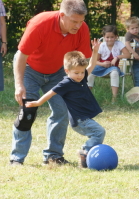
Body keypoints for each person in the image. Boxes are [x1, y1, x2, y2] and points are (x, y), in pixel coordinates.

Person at [9, 0, 92, 166]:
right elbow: (21, 55)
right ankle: (17, 158)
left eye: (81, 21)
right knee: (27, 113)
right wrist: (19, 84)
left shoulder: (82, 29)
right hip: (30, 69)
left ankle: (53, 156)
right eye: (74, 21)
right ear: (62, 15)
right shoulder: (40, 24)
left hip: (58, 72)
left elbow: (82, 60)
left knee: (62, 110)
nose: (78, 25)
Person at [26, 39, 105, 168]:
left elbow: (91, 65)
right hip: (79, 119)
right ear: (67, 71)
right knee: (99, 132)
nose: (80, 75)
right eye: (76, 73)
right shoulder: (66, 83)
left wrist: (95, 51)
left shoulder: (81, 76)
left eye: (81, 72)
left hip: (84, 117)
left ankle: (85, 159)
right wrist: (38, 102)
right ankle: (85, 151)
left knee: (98, 133)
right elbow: (51, 92)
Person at [87, 25, 130, 103]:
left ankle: (114, 98)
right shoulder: (101, 46)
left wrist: (117, 57)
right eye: (107, 37)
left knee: (114, 73)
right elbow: (94, 61)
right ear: (104, 37)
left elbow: (128, 55)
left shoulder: (119, 44)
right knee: (90, 72)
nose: (109, 39)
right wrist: (102, 64)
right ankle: (86, 95)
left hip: (113, 67)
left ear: (116, 37)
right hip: (101, 67)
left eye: (112, 37)